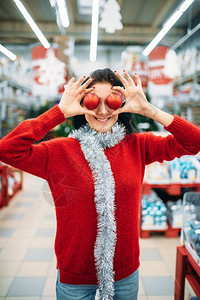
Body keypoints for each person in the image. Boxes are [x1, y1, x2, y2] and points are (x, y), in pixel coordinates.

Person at [0, 68, 200, 300]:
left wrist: (148, 109)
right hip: (75, 273)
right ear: (81, 103)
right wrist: (59, 111)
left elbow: (193, 142)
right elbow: (7, 150)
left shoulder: (138, 146)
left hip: (125, 271)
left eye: (112, 102)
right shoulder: (58, 151)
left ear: (123, 105)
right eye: (93, 101)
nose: (103, 110)